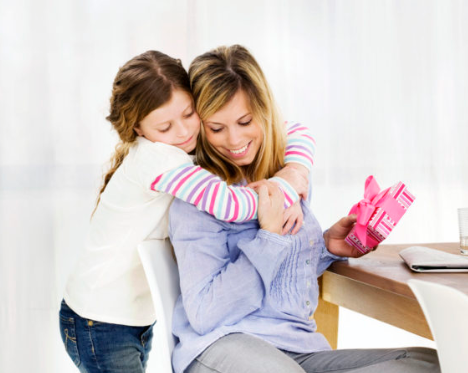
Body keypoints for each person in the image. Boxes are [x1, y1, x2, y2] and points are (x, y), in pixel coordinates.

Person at [168, 45, 441, 373]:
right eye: (217, 128)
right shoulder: (201, 197)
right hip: (223, 343)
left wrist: (325, 247)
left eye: (244, 121)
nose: (234, 139)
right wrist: (267, 237)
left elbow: (280, 282)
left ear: (265, 112)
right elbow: (205, 313)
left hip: (295, 347)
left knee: (431, 363)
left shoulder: (287, 177)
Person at [58, 50, 317, 373]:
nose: (182, 132)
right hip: (99, 319)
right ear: (138, 129)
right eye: (165, 126)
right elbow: (230, 205)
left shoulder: (178, 150)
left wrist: (295, 168)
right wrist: (283, 190)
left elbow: (297, 131)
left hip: (131, 316)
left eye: (189, 113)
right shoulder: (160, 160)